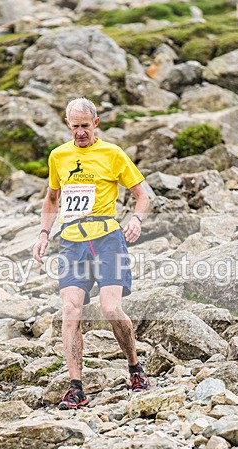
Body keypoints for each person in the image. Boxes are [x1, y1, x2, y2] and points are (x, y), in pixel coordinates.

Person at [32, 97, 151, 410]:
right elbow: (51, 199)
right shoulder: (58, 156)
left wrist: (135, 219)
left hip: (108, 240)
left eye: (85, 126)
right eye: (75, 127)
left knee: (111, 309)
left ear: (95, 124)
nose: (80, 132)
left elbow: (142, 196)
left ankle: (134, 366)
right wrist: (44, 234)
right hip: (71, 243)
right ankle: (76, 388)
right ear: (68, 125)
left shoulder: (112, 153)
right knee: (71, 311)